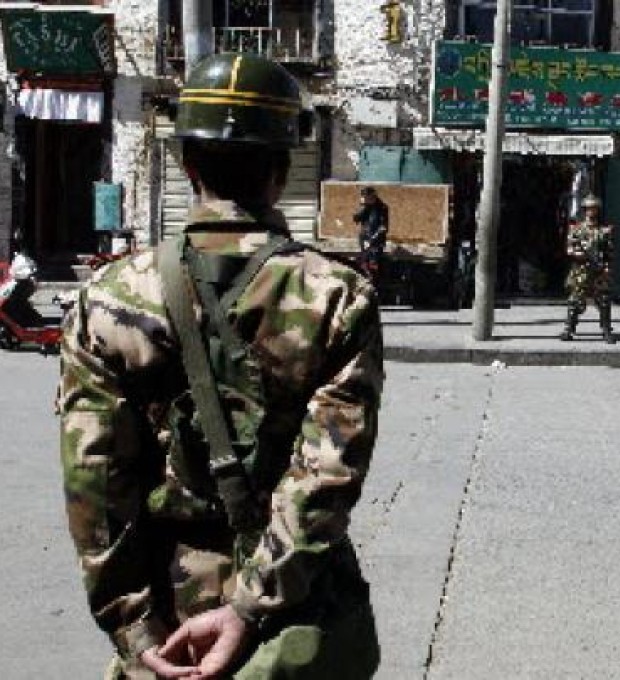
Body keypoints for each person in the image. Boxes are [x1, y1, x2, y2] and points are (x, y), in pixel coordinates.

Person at [58, 53, 383, 679]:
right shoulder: (335, 296)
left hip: (169, 615)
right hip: (293, 619)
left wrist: (131, 621)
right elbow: (326, 478)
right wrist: (247, 607)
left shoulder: (109, 296)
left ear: (186, 163)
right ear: (282, 169)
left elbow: (93, 481)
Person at [560, 194, 615, 344]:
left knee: (604, 301)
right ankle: (569, 329)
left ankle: (606, 330)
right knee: (575, 301)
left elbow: (609, 252)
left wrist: (607, 267)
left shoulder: (604, 231)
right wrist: (577, 254)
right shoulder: (577, 229)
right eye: (589, 209)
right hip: (581, 270)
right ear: (584, 210)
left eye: (594, 209)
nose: (591, 212)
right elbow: (569, 249)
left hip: (598, 271)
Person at [353, 186, 389, 282]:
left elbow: (383, 227)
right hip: (365, 237)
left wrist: (373, 239)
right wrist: (362, 208)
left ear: (372, 196)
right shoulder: (365, 207)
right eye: (363, 198)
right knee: (364, 260)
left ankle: (374, 280)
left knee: (373, 260)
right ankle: (366, 277)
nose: (364, 199)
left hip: (376, 239)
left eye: (366, 197)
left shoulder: (382, 208)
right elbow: (356, 218)